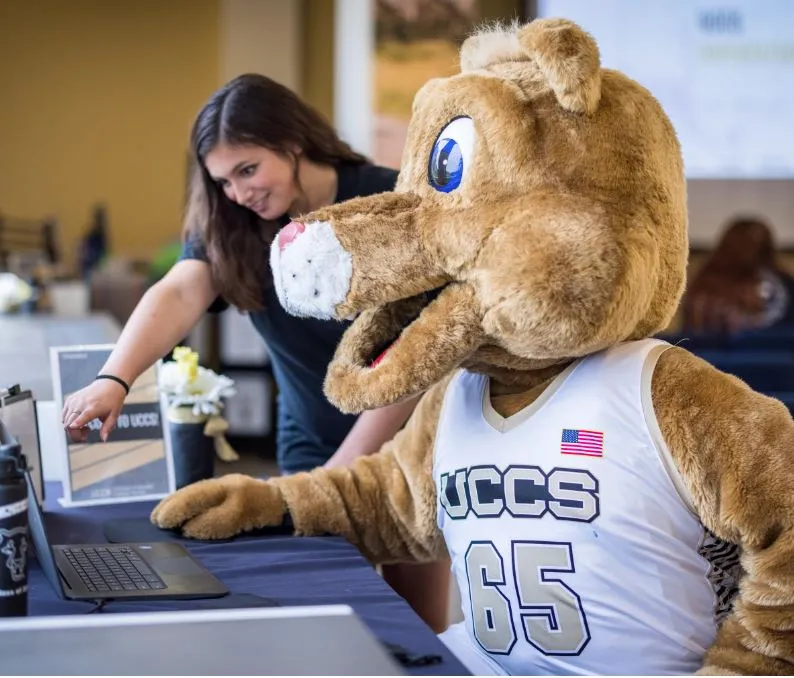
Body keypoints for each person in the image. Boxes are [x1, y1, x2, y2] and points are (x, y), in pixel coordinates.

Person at [60, 73, 450, 631]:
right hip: (310, 443)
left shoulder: (387, 200)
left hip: (409, 446)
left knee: (416, 627)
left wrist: (343, 476)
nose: (239, 192)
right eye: (222, 180)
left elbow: (419, 351)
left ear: (292, 144)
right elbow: (179, 290)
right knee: (334, 622)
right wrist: (113, 379)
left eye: (248, 170)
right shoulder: (234, 223)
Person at [682, 216, 794, 335]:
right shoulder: (706, 284)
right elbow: (694, 331)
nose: (751, 253)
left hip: (778, 349)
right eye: (745, 245)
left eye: (762, 248)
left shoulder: (784, 282)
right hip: (717, 350)